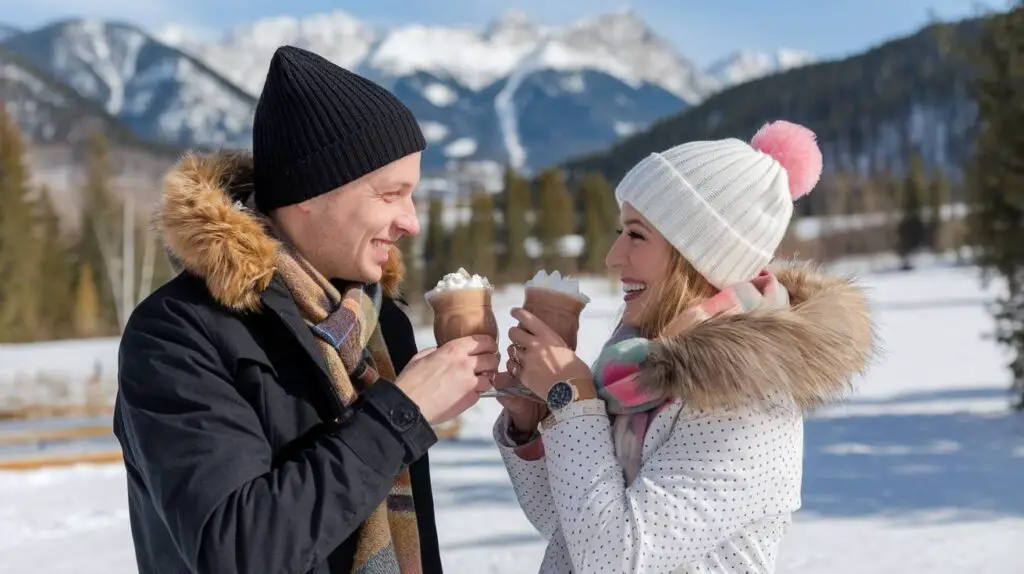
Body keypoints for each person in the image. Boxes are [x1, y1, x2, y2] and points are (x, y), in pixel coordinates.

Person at [112, 45, 496, 574]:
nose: (411, 222)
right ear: (311, 195)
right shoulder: (178, 334)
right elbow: (236, 552)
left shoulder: (381, 322)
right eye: (390, 195)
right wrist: (399, 416)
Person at [492, 120, 879, 572]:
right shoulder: (635, 370)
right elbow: (569, 528)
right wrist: (533, 427)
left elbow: (613, 558)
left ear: (698, 258)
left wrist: (572, 398)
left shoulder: (747, 401)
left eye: (636, 234)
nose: (613, 256)